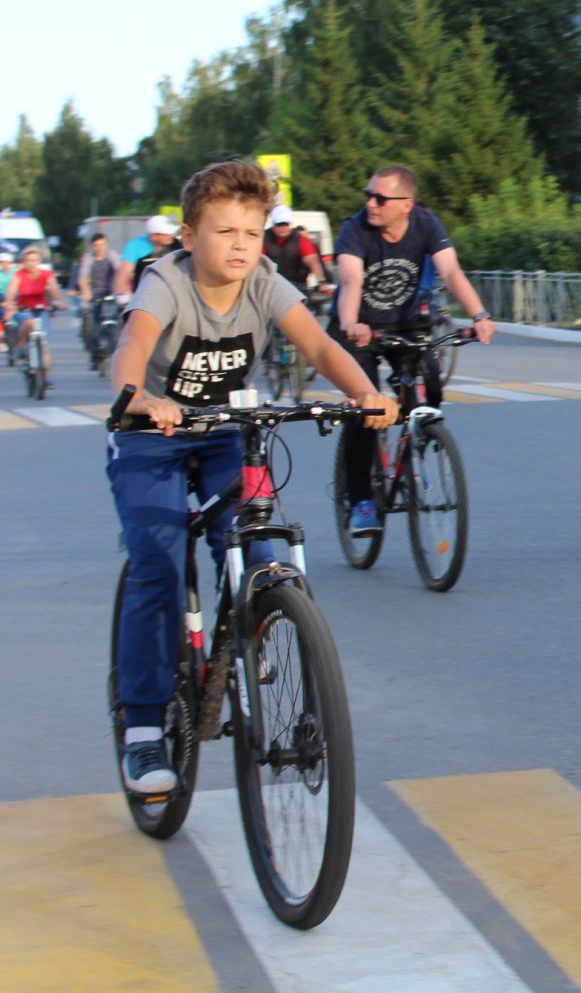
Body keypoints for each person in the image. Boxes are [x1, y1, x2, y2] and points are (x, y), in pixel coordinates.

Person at [107, 160, 396, 794]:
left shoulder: (265, 282)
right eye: (223, 232)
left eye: (251, 232)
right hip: (148, 435)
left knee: (262, 547)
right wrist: (137, 397)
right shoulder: (166, 282)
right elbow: (133, 342)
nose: (240, 246)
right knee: (156, 565)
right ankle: (146, 728)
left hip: (223, 432)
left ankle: (257, 624)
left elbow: (320, 347)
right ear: (188, 237)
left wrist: (364, 393)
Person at [332, 164, 496, 536]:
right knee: (366, 407)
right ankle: (361, 500)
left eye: (380, 198)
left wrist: (479, 314)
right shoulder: (355, 228)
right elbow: (350, 279)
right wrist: (351, 323)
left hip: (407, 326)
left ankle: (417, 440)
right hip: (359, 330)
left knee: (430, 385)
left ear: (406, 204)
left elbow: (451, 273)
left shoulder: (426, 224)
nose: (371, 203)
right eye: (368, 195)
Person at [4, 245, 66, 363]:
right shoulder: (19, 274)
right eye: (28, 260)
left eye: (34, 260)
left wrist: (60, 302)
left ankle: (45, 377)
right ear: (24, 262)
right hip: (24, 310)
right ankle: (21, 345)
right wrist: (9, 304)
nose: (31, 263)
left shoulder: (46, 274)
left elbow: (53, 288)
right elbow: (11, 290)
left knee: (44, 345)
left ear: (39, 261)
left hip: (42, 310)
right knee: (28, 322)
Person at [264, 206, 326, 293]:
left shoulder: (301, 239)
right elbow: (255, 260)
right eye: (279, 224)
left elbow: (312, 261)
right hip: (271, 286)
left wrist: (321, 282)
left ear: (290, 223)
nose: (283, 228)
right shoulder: (264, 238)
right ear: (273, 224)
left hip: (297, 285)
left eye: (285, 224)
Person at [76, 233, 120, 354]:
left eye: (102, 244)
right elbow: (83, 277)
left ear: (106, 244)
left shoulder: (112, 256)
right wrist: (86, 291)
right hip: (95, 293)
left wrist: (121, 289)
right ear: (92, 246)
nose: (99, 247)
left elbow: (119, 271)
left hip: (111, 292)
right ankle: (95, 351)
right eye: (96, 245)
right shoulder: (89, 258)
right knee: (92, 320)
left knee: (118, 315)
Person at [119, 215, 179, 297]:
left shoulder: (177, 244)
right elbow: (124, 272)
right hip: (144, 296)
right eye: (166, 234)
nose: (172, 236)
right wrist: (122, 296)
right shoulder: (136, 245)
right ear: (153, 236)